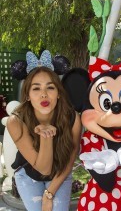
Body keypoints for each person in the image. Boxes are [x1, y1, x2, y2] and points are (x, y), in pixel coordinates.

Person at [7, 50, 82, 211]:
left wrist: (50, 194)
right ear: (27, 95)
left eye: (50, 87)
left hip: (60, 172)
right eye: (36, 89)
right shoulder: (16, 121)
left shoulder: (73, 118)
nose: (44, 95)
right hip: (29, 174)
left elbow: (69, 161)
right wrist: (46, 136)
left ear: (59, 94)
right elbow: (44, 168)